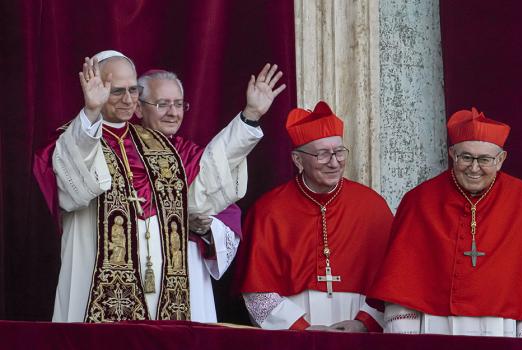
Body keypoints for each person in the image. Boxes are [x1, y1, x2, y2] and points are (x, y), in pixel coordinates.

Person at [38, 50, 285, 322]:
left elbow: (208, 182)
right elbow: (74, 186)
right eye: (117, 91)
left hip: (161, 289)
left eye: (133, 90)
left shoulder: (161, 145)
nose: (129, 99)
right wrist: (91, 111)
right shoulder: (76, 137)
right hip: (95, 284)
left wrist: (249, 117)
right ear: (95, 89)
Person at [369, 107, 522, 337]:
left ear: (501, 160)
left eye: (485, 159)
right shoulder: (420, 201)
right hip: (435, 331)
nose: (474, 168)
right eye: (466, 157)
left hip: (504, 332)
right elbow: (401, 286)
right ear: (452, 154)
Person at [237, 101, 393, 331]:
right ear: (298, 160)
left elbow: (392, 280)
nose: (334, 162)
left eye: (339, 152)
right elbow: (257, 293)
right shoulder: (269, 210)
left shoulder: (373, 206)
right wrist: (301, 330)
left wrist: (364, 323)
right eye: (322, 154)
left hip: (359, 334)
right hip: (293, 337)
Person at [135, 69, 244, 322]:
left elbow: (227, 214)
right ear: (139, 109)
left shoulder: (195, 157)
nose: (173, 113)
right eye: (163, 104)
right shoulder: (122, 154)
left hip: (188, 271)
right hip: (136, 268)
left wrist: (206, 228)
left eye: (178, 104)